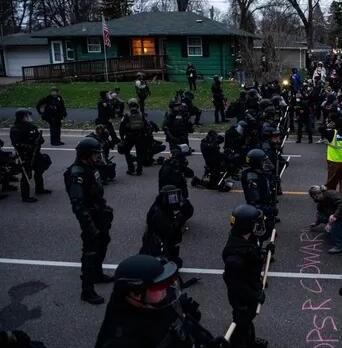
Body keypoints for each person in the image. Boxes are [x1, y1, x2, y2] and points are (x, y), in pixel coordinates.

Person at [95, 254, 227, 348]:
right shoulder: (122, 340)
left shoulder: (159, 302)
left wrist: (206, 340)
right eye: (158, 286)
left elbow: (182, 322)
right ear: (135, 294)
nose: (165, 289)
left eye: (167, 283)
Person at [64, 138, 114, 304]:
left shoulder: (92, 168)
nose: (98, 156)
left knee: (103, 243)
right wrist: (89, 226)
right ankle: (87, 290)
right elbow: (78, 203)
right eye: (95, 153)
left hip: (100, 214)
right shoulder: (77, 173)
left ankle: (97, 274)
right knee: (90, 251)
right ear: (86, 155)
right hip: (90, 218)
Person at [222, 204, 273, 348]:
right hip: (242, 299)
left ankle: (250, 342)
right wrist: (254, 295)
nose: (259, 225)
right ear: (247, 226)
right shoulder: (235, 258)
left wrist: (264, 252)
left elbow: (253, 260)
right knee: (241, 324)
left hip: (251, 287)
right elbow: (235, 284)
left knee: (248, 321)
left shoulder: (245, 239)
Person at [10, 108, 51, 203]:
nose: (28, 118)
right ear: (21, 117)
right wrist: (31, 146)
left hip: (35, 153)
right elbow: (17, 144)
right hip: (25, 155)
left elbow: (40, 138)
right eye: (26, 116)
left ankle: (40, 189)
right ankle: (25, 196)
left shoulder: (31, 126)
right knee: (26, 175)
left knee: (39, 170)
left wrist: (39, 141)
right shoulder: (16, 129)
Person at [241, 149, 277, 240]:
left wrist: (273, 181)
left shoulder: (259, 173)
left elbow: (265, 185)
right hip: (260, 211)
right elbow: (255, 203)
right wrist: (269, 210)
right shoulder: (252, 178)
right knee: (260, 236)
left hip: (266, 204)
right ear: (256, 163)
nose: (265, 163)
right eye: (262, 161)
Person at [308, 185, 342, 254]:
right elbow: (321, 213)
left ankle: (339, 245)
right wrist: (316, 223)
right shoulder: (321, 202)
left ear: (319, 193)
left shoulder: (332, 194)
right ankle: (338, 233)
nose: (316, 198)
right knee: (320, 215)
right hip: (340, 216)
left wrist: (335, 216)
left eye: (316, 196)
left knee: (335, 221)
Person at [119, 99, 147, 176]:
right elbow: (145, 125)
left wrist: (122, 138)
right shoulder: (141, 114)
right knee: (139, 153)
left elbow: (122, 127)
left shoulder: (126, 115)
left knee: (126, 151)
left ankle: (131, 168)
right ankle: (139, 170)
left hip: (129, 136)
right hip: (139, 136)